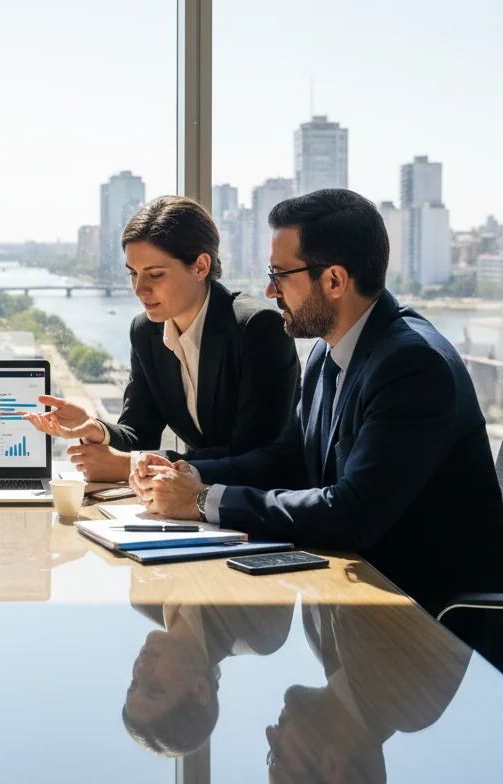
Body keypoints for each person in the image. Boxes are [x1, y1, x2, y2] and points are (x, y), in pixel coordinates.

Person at [132, 189, 503, 622]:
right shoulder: (329, 351)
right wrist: (189, 474)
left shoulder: (412, 365)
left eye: (281, 274)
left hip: (428, 619)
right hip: (353, 593)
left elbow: (352, 513)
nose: (270, 291)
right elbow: (289, 459)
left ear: (333, 281)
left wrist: (203, 502)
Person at [25, 195, 300, 482]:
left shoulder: (257, 328)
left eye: (155, 274)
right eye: (133, 274)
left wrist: (132, 465)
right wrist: (94, 427)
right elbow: (139, 432)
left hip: (265, 505)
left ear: (200, 267)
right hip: (197, 501)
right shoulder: (146, 332)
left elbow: (253, 455)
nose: (139, 289)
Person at [266, 600, 470, 783]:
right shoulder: (410, 697)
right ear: (332, 764)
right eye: (278, 755)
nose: (270, 733)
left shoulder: (316, 636)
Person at [124, 579, 293, 758]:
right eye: (154, 689)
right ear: (200, 689)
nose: (141, 671)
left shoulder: (143, 597)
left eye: (134, 684)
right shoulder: (260, 631)